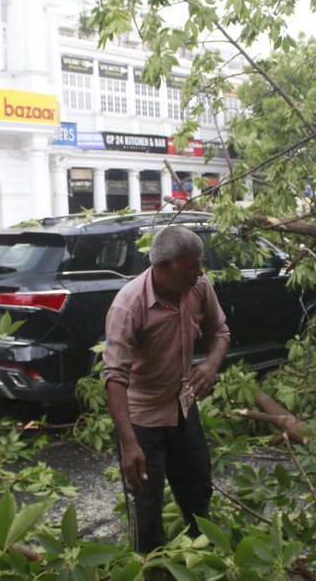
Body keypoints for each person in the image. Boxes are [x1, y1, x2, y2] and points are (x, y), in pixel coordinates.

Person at [102, 226, 230, 554]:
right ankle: (152, 569)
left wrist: (210, 365)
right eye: (191, 266)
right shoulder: (129, 306)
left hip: (183, 407)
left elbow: (220, 331)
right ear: (163, 267)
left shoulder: (200, 287)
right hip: (142, 419)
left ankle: (199, 563)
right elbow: (114, 378)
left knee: (198, 493)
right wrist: (129, 444)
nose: (200, 271)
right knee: (147, 511)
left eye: (199, 263)